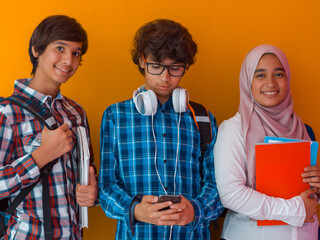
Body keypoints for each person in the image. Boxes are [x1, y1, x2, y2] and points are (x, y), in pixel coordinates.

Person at [99, 19, 224, 239]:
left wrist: (196, 209)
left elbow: (217, 185)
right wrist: (135, 209)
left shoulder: (203, 118)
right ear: (142, 60)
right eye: (156, 66)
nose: (165, 78)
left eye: (175, 68)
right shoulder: (115, 116)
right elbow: (106, 186)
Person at [0, 15, 98, 239]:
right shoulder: (7, 112)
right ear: (36, 50)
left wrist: (92, 193)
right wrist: (40, 156)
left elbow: (87, 175)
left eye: (76, 53)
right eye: (60, 48)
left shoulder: (76, 113)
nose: (68, 60)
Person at [214, 44, 320, 240]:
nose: (271, 83)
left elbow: (307, 194)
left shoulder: (304, 130)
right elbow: (231, 194)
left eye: (279, 74)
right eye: (260, 75)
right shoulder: (234, 130)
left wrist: (317, 186)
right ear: (248, 82)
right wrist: (294, 209)